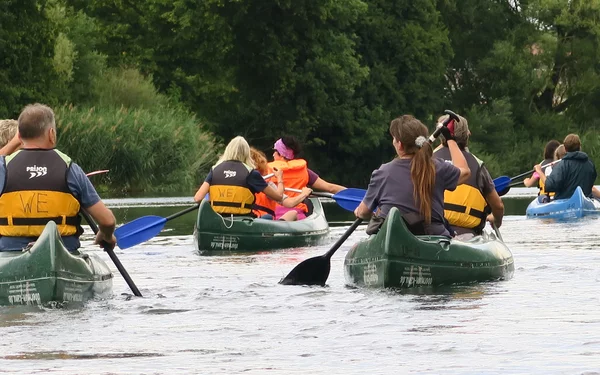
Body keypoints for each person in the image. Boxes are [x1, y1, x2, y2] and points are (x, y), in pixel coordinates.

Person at [0, 104, 116, 251]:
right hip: (62, 250)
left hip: (12, 251)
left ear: (20, 136)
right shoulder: (70, 169)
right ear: (51, 134)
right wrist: (106, 235)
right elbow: (108, 221)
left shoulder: (3, 167)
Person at [354, 115, 471, 237]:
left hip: (393, 237)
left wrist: (359, 212)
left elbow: (363, 212)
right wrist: (450, 138)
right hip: (433, 236)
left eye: (394, 138)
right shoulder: (438, 167)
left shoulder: (382, 172)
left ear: (399, 144)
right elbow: (465, 171)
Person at [433, 114, 504, 237]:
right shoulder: (477, 165)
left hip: (433, 232)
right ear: (467, 134)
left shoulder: (426, 160)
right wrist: (496, 221)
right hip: (467, 234)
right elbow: (498, 206)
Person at [193, 136, 287, 219]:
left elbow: (198, 198)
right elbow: (279, 197)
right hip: (242, 221)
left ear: (228, 150)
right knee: (268, 217)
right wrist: (280, 178)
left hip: (218, 219)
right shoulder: (251, 173)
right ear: (246, 153)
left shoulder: (214, 170)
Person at [269, 136, 345, 220]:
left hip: (272, 215)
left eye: (275, 151)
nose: (273, 154)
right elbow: (330, 188)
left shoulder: (267, 171)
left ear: (282, 154)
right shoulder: (303, 171)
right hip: (298, 215)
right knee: (307, 204)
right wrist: (353, 194)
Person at [249, 147, 312, 221]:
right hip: (263, 221)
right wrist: (304, 194)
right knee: (293, 213)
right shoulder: (266, 184)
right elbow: (289, 203)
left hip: (244, 218)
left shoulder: (238, 181)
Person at [541, 134, 597, 200]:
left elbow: (550, 186)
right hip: (586, 199)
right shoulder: (590, 164)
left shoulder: (561, 165)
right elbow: (592, 179)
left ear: (565, 148)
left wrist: (539, 171)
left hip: (564, 200)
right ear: (579, 146)